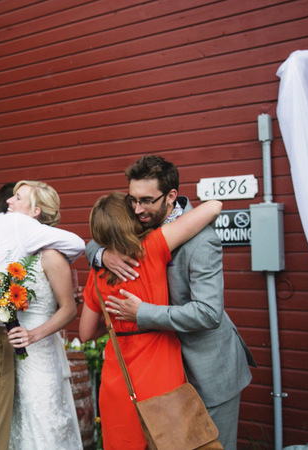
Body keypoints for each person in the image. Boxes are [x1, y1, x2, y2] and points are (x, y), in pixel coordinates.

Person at [85, 155, 256, 450]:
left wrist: (142, 313)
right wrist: (101, 254)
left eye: (147, 200)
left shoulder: (202, 240)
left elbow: (208, 313)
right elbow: (102, 231)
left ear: (171, 197)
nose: (137, 209)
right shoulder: (141, 223)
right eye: (132, 200)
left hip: (207, 369)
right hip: (165, 374)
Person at [0, 181, 84, 450]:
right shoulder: (11, 248)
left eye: (18, 198)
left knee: (38, 423)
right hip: (4, 353)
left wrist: (34, 334)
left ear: (36, 212)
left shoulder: (50, 251)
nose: (9, 202)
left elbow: (69, 308)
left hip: (36, 351)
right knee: (2, 428)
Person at [80, 192, 222, 449]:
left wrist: (115, 317)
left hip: (118, 376)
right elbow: (212, 208)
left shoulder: (97, 272)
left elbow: (86, 332)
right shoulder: (152, 247)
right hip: (160, 368)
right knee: (174, 441)